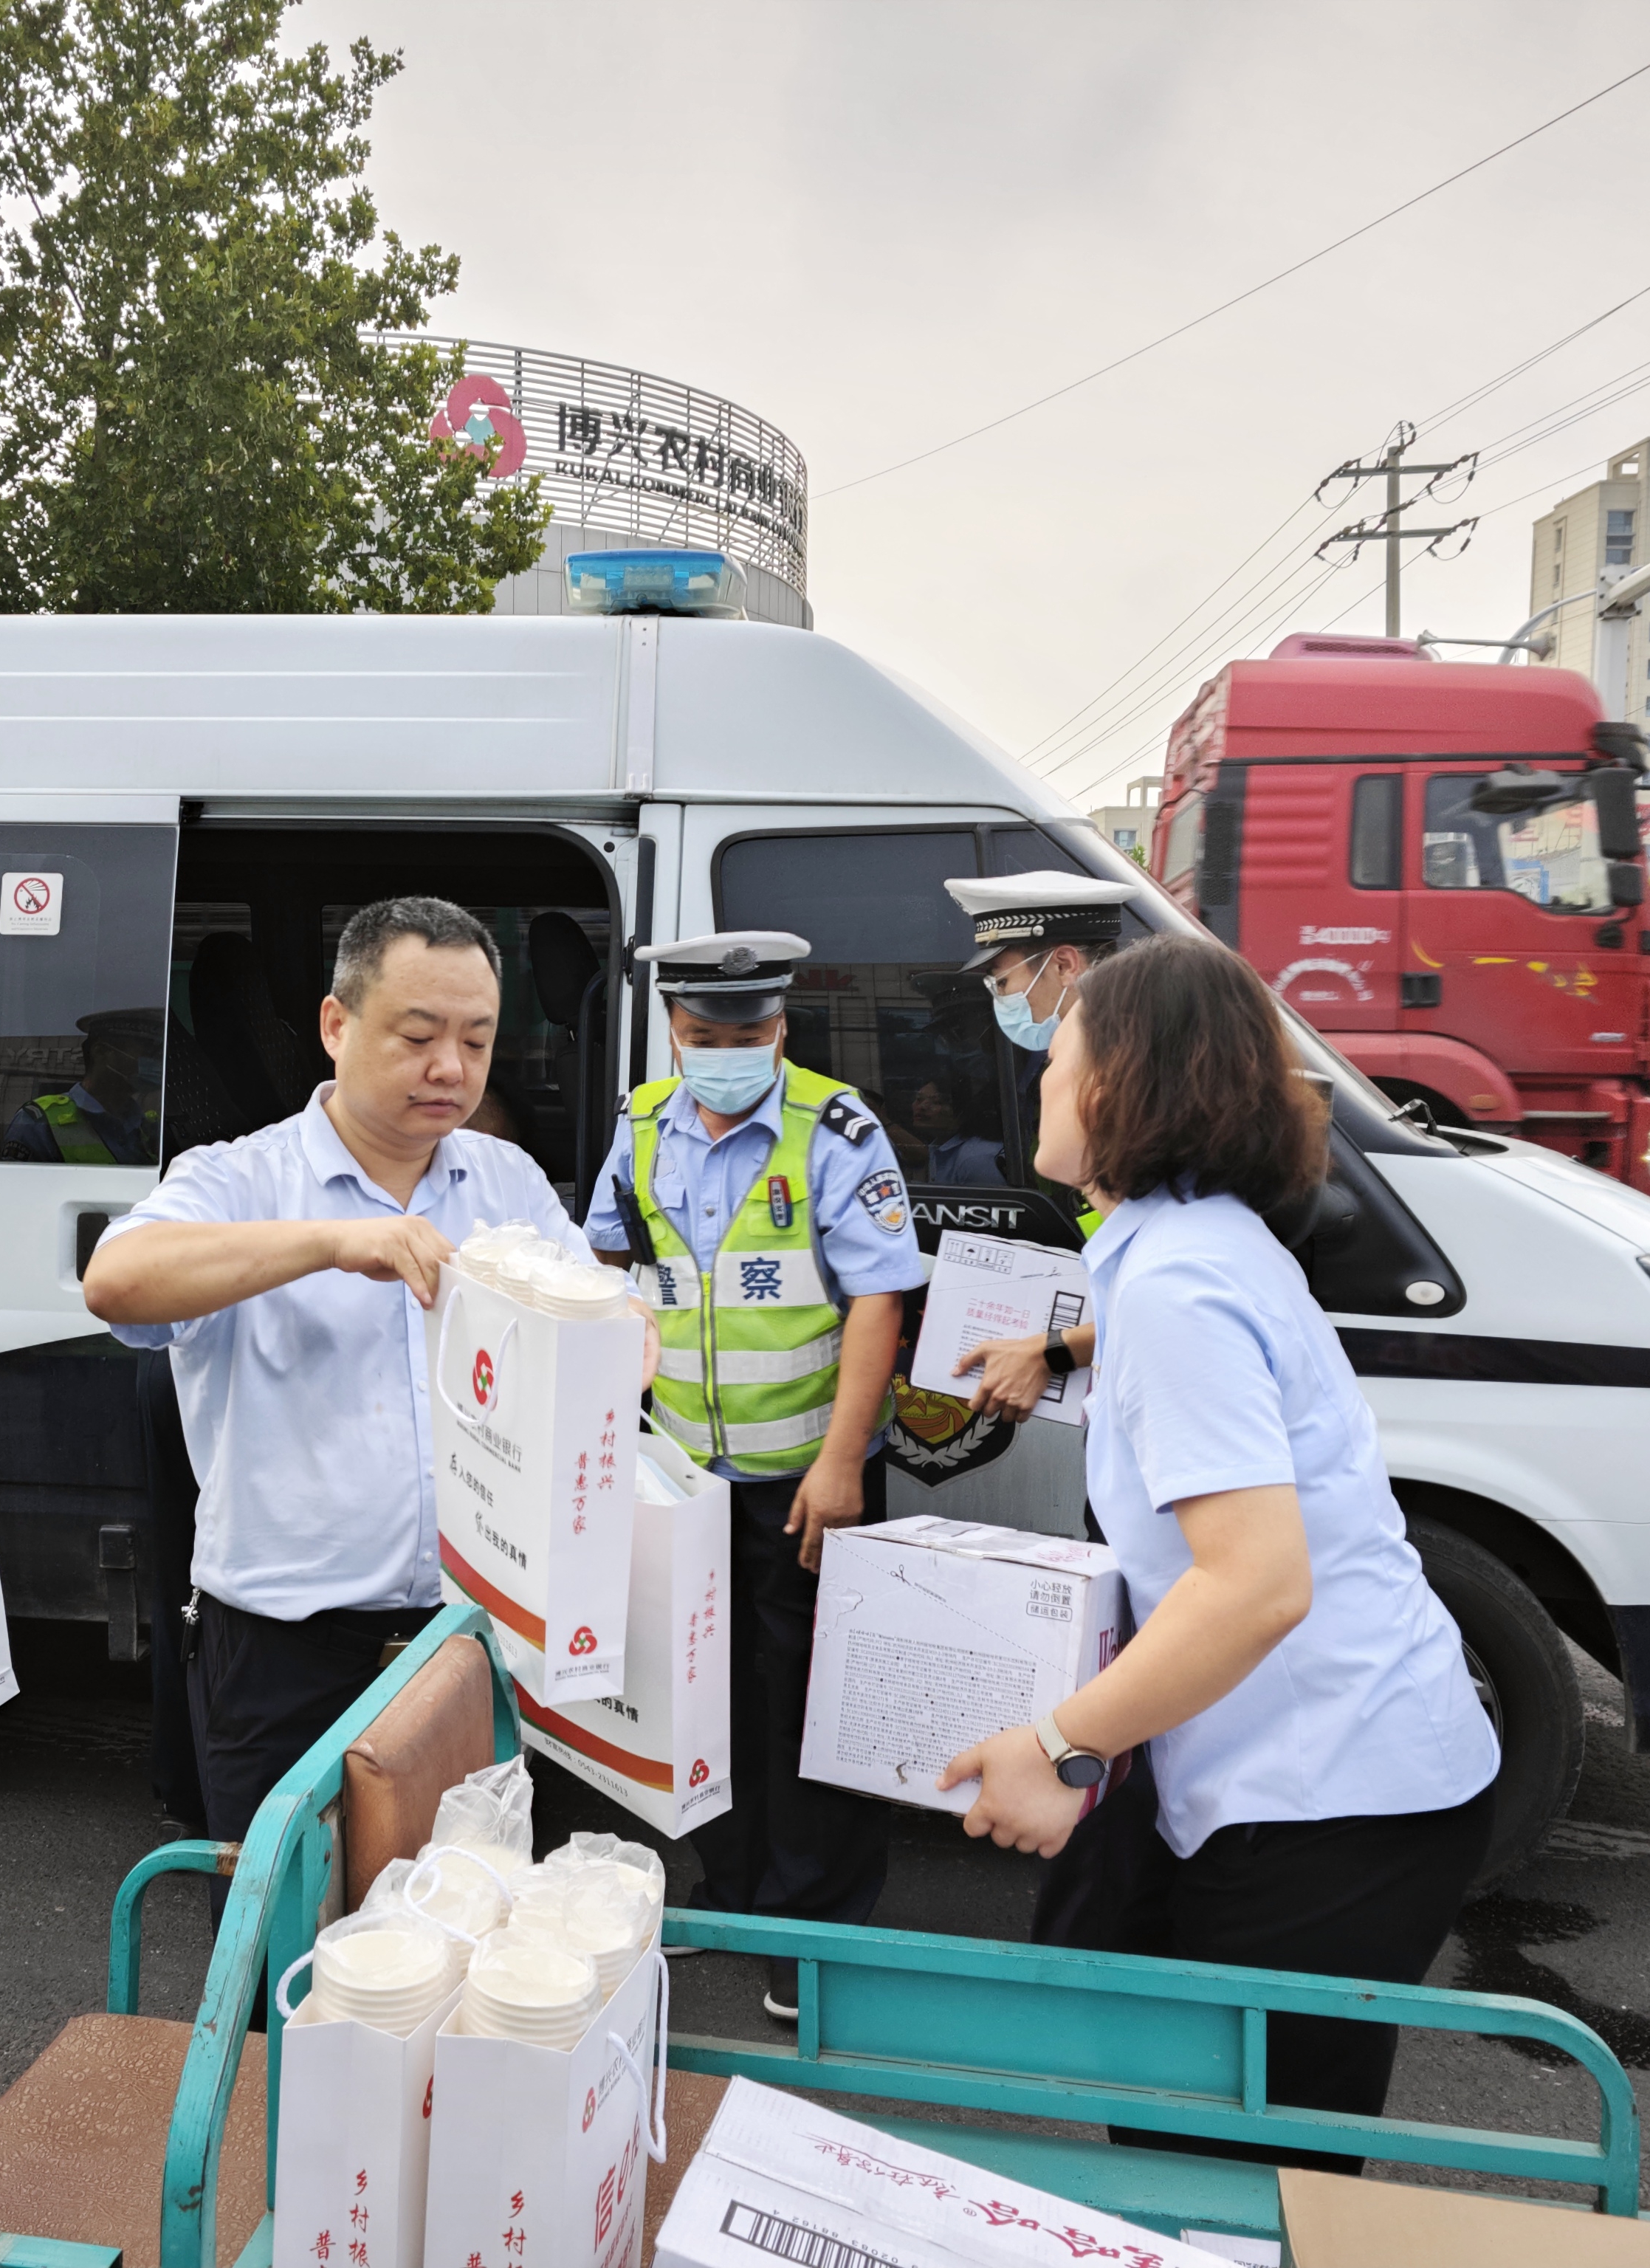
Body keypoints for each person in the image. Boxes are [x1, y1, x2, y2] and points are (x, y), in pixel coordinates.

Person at [938, 935, 1499, 2166]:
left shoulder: (1181, 1280)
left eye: (1060, 1054)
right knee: (1184, 2103)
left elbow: (1255, 1582)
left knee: (1239, 2170)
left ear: (1122, 1083)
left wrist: (1057, 1746)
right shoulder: (1186, 1243)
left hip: (1329, 1795)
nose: (1036, 1077)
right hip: (1322, 1766)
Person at [80, 898, 599, 1892]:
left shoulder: (507, 1180)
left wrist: (624, 1336)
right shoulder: (241, 1178)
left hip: (465, 1644)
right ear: (335, 1025)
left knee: (456, 1934)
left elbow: (590, 1325)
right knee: (294, 1950)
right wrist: (329, 1240)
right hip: (286, 1654)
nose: (451, 1067)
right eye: (419, 1036)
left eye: (477, 1039)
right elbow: (119, 1281)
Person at [580, 932, 921, 2024]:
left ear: (780, 1031)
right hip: (685, 1477)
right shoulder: (640, 1128)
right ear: (676, 1032)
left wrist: (838, 1464)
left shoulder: (836, 1130)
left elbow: (878, 1298)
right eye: (705, 1036)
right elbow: (606, 1267)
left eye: (748, 1036)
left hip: (805, 1479)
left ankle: (809, 1927)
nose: (727, 1054)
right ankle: (732, 1891)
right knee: (705, 1694)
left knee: (809, 1703)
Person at [938, 870, 1135, 1423]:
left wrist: (1051, 1351)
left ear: (1066, 964)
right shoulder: (1116, 1063)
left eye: (1001, 982)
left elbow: (1174, 1298)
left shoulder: (1141, 1093)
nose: (1048, 1085)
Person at [7, 1008, 161, 1163]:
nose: (157, 1063)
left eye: (157, 1056)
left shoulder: (149, 1128)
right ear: (101, 1052)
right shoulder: (38, 1122)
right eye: (146, 1053)